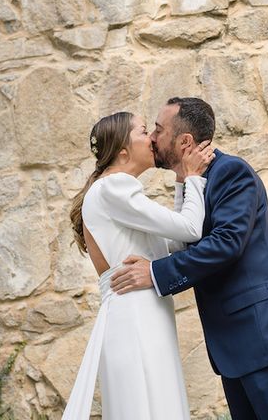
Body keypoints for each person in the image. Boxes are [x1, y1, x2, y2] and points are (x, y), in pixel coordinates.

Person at [110, 97, 268, 420]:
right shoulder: (196, 182)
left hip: (265, 338)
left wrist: (155, 273)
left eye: (158, 129)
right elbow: (187, 235)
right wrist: (185, 183)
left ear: (184, 142)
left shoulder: (231, 172)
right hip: (237, 348)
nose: (152, 137)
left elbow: (225, 244)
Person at [65, 111, 214, 419]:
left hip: (137, 311)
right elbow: (190, 229)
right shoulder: (114, 187)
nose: (152, 139)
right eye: (144, 131)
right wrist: (194, 178)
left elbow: (174, 241)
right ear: (122, 149)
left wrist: (181, 182)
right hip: (135, 315)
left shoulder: (112, 191)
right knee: (152, 405)